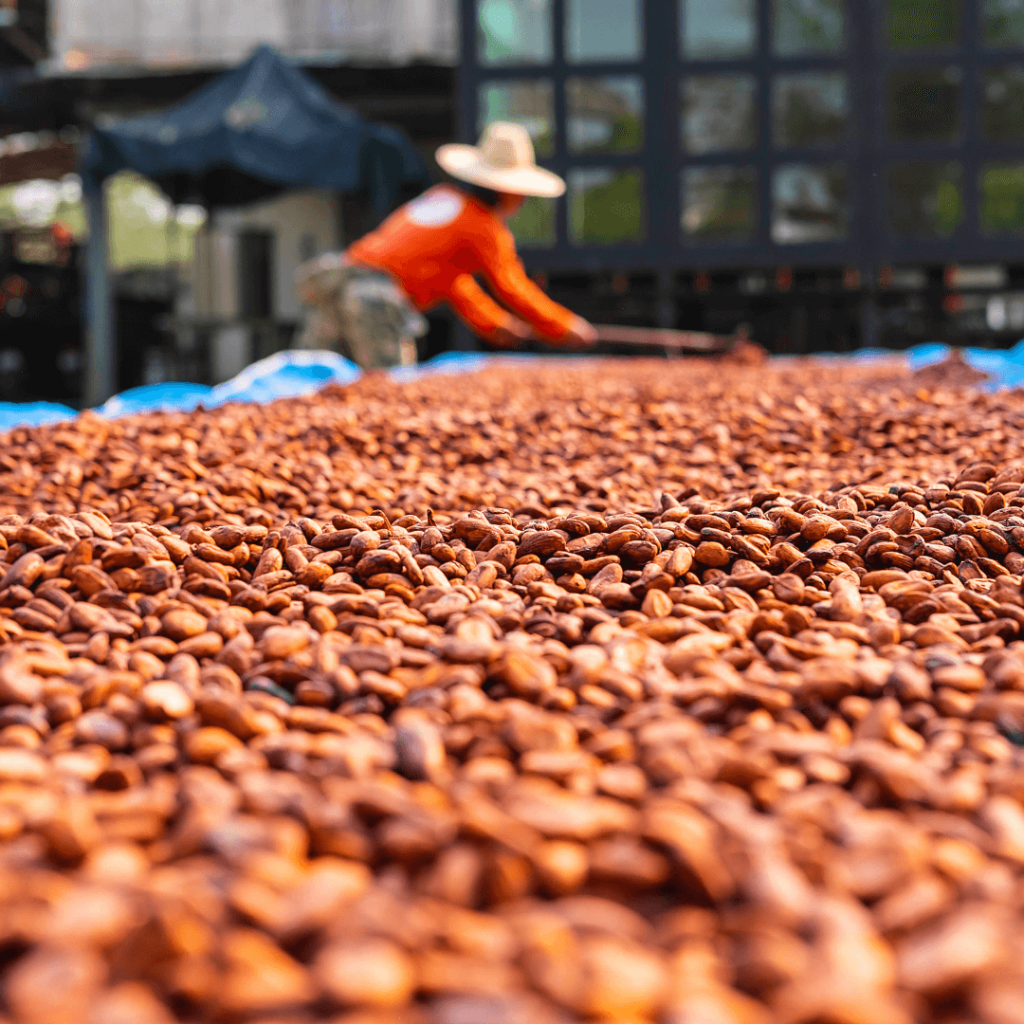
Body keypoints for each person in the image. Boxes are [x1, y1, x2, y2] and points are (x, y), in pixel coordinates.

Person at [294, 122, 597, 370]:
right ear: (507, 191)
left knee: (309, 382)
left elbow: (454, 283)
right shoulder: (483, 226)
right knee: (388, 392)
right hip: (377, 298)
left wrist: (493, 324)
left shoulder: (445, 198)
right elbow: (512, 286)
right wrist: (564, 326)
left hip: (340, 284)